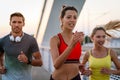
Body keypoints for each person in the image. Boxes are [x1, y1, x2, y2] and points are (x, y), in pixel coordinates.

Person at [0, 12, 43, 80]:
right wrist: (1, 66)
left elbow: (40, 62)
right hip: (7, 78)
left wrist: (28, 61)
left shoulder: (31, 40)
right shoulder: (2, 40)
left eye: (19, 22)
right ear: (10, 23)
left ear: (23, 24)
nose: (16, 25)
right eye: (14, 22)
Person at [50, 5, 84, 80]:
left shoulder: (78, 39)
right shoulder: (55, 39)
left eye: (75, 17)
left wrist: (80, 66)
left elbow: (75, 59)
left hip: (76, 77)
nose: (72, 20)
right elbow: (56, 65)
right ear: (61, 19)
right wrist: (72, 45)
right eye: (69, 17)